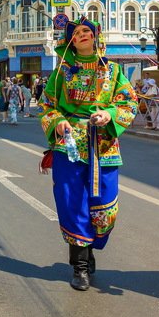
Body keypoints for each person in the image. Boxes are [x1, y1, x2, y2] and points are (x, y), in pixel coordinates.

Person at [38, 19, 138, 291]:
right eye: (77, 33)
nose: (82, 35)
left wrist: (110, 114)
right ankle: (79, 266)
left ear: (96, 37)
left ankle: (90, 246)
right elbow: (46, 105)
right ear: (70, 40)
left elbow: (129, 102)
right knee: (72, 203)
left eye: (87, 32)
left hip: (104, 145)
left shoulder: (114, 71)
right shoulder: (61, 73)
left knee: (105, 208)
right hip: (68, 146)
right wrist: (57, 120)